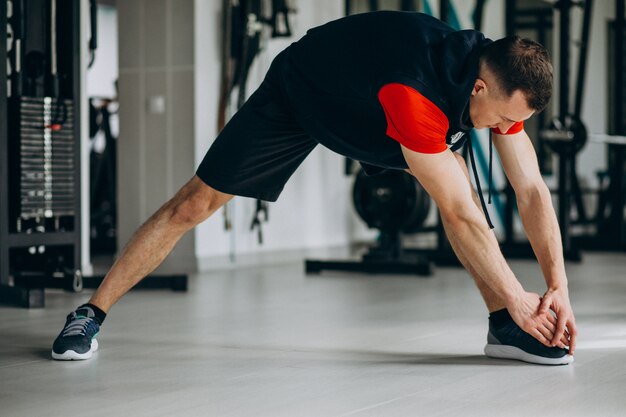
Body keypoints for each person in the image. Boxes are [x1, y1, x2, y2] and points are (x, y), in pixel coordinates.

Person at [52, 11, 577, 365]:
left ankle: (501, 328)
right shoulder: (415, 93)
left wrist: (557, 287)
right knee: (194, 204)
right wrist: (520, 298)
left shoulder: (496, 82)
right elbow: (460, 214)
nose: (500, 128)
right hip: (303, 96)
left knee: (459, 187)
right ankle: (89, 313)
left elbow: (530, 189)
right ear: (480, 87)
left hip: (373, 108)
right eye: (501, 119)